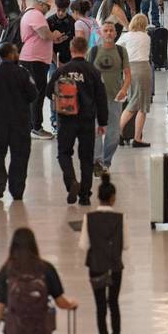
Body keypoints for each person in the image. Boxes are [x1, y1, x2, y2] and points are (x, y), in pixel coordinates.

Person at [48, 36, 109, 206]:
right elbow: (101, 98)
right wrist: (102, 122)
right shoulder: (93, 71)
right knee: (86, 157)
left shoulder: (62, 70)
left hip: (66, 119)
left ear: (71, 49)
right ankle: (85, 196)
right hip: (87, 119)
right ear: (86, 50)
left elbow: (48, 92)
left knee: (63, 153)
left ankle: (71, 182)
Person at [79, 177, 128, 334]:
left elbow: (84, 245)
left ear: (98, 197)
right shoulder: (120, 218)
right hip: (115, 266)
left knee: (100, 308)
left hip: (96, 266)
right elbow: (127, 245)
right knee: (113, 304)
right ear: (113, 198)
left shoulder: (89, 219)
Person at [0, 43, 36, 200]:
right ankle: (17, 190)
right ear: (12, 55)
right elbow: (33, 95)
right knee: (20, 155)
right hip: (20, 123)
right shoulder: (23, 73)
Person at [88, 21, 132, 178]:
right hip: (95, 99)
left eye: (111, 30)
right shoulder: (93, 52)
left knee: (113, 134)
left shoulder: (121, 51)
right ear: (100, 33)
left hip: (114, 98)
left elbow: (127, 74)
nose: (108, 33)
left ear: (115, 33)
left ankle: (106, 161)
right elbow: (86, 73)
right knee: (96, 132)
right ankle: (97, 162)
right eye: (105, 30)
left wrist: (124, 89)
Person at [19, 0, 59, 141]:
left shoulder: (30, 14)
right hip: (34, 59)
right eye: (48, 7)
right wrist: (54, 34)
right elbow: (44, 35)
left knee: (33, 93)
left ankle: (31, 126)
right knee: (37, 94)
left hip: (34, 59)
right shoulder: (36, 14)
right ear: (41, 4)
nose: (48, 10)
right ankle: (36, 127)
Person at [117, 14, 152, 147]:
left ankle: (121, 133)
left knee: (132, 100)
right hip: (143, 68)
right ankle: (135, 137)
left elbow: (116, 48)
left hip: (129, 69)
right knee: (141, 105)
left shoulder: (126, 36)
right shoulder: (146, 37)